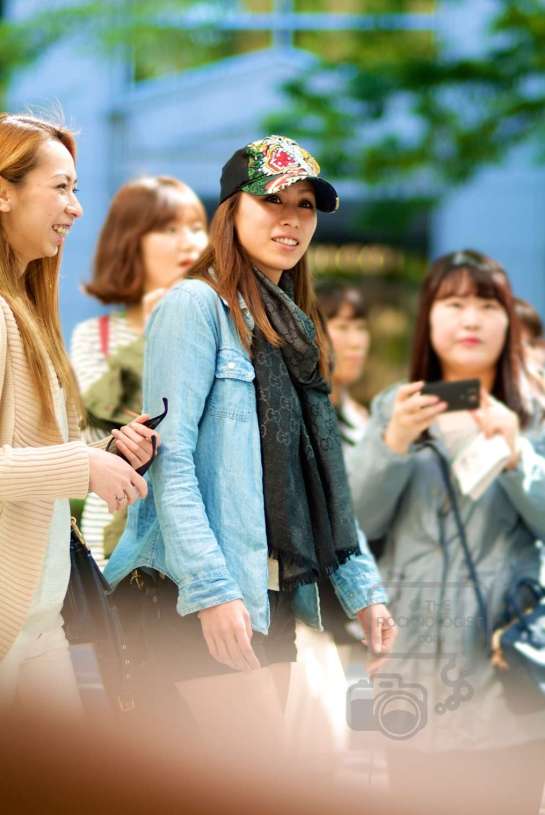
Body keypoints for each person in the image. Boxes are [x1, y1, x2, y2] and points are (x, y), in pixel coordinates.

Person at [105, 135, 396, 740]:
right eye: (272, 200)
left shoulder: (296, 328)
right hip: (195, 589)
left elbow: (324, 478)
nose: (291, 219)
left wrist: (363, 590)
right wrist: (211, 591)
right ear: (231, 209)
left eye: (307, 205)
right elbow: (172, 461)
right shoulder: (195, 305)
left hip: (271, 593)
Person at [350, 249, 545, 814]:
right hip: (411, 670)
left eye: (487, 305)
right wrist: (391, 448)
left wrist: (517, 459)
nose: (470, 320)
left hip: (505, 669)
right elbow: (356, 528)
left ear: (508, 320)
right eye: (453, 303)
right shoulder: (398, 407)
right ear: (429, 318)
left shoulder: (533, 414)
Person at [0, 113, 156, 717]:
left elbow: (34, 448)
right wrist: (82, 464)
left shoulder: (29, 311)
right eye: (61, 187)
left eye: (76, 188)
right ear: (4, 192)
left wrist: (106, 452)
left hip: (41, 623)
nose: (76, 208)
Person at [71, 176, 207, 567]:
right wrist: (151, 336)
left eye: (197, 228)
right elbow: (96, 437)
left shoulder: (221, 328)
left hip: (197, 533)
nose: (190, 242)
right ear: (131, 240)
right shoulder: (94, 336)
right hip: (116, 535)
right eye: (169, 229)